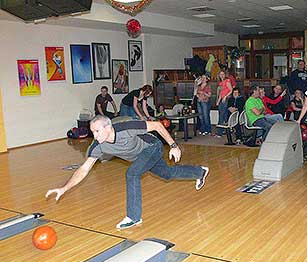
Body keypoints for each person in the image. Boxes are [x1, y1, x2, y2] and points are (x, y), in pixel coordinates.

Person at [46, 115, 209, 229]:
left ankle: (133, 217)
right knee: (167, 174)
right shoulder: (98, 146)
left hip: (152, 147)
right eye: (93, 132)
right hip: (141, 158)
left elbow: (158, 125)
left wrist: (174, 146)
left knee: (132, 174)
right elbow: (83, 169)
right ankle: (199, 172)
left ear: (108, 127)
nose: (95, 136)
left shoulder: (126, 128)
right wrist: (64, 188)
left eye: (97, 131)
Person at [216, 70, 233, 137]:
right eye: (220, 74)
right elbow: (221, 93)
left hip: (225, 99)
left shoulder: (227, 81)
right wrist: (218, 100)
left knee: (221, 115)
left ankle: (219, 132)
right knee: (224, 115)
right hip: (222, 99)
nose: (222, 75)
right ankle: (227, 130)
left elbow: (231, 90)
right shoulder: (220, 82)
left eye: (223, 74)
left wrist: (225, 97)